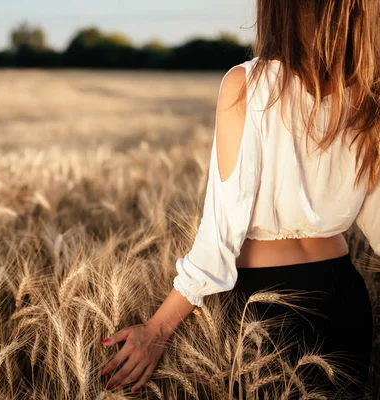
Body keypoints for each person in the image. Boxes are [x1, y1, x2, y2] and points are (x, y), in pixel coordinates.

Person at [100, 0, 379, 398]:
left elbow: (220, 236)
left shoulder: (247, 84)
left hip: (265, 307)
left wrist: (158, 328)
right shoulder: (365, 93)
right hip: (345, 301)